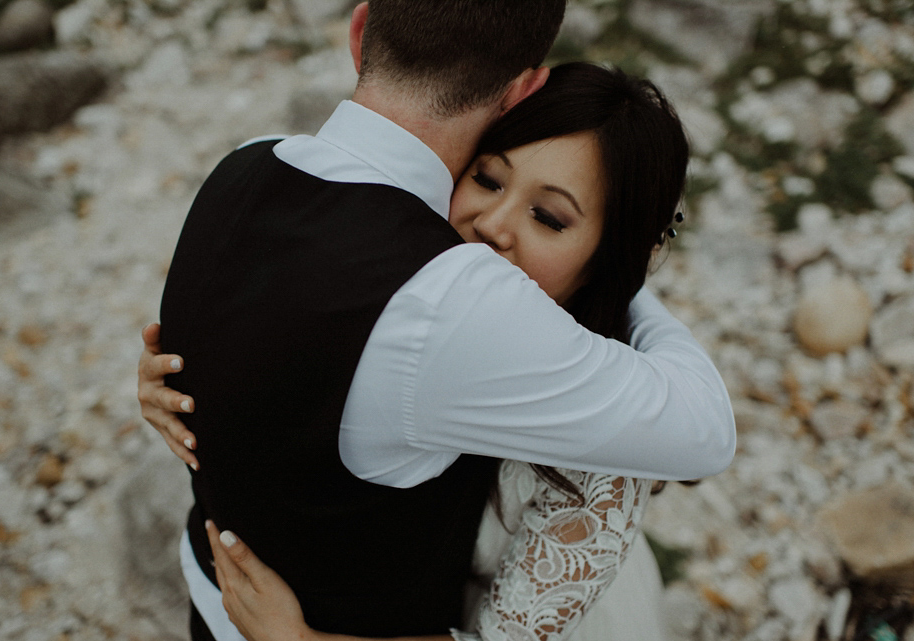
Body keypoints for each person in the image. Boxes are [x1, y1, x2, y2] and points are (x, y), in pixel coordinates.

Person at [140, 2, 735, 639]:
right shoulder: (450, 297)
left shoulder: (247, 163)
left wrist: (622, 273)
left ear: (362, 27)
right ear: (519, 93)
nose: (494, 227)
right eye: (486, 177)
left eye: (552, 218)